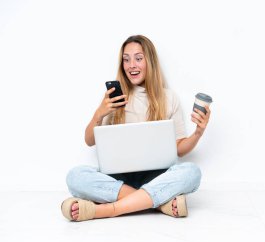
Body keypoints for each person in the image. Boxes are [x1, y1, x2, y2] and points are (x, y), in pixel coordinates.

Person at [61, 35, 211, 221]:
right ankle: (159, 203)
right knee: (75, 177)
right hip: (118, 179)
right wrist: (99, 113)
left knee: (192, 173)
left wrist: (198, 132)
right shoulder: (114, 97)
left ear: (150, 62)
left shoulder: (169, 98)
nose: (132, 65)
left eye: (138, 59)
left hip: (157, 177)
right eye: (126, 59)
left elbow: (180, 149)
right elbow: (89, 140)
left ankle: (108, 210)